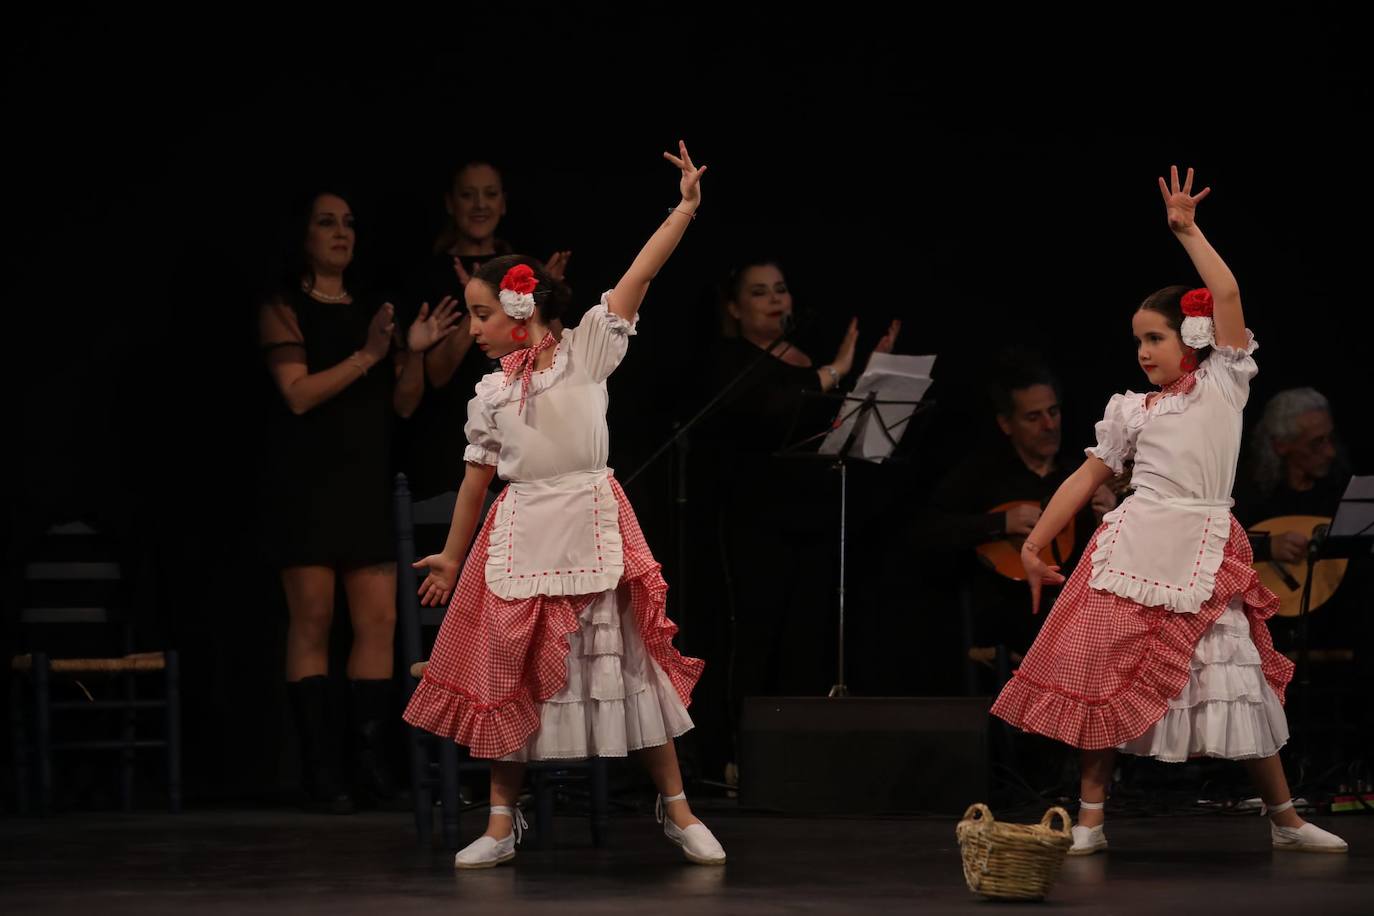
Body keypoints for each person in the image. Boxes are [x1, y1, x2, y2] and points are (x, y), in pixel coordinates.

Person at [990, 167, 1347, 855]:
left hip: (1202, 542)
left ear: (1190, 335)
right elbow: (1086, 474)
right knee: (1105, 672)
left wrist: (1188, 231)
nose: (1143, 352)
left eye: (1154, 338)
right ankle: (1090, 817)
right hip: (1131, 546)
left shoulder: (1222, 383)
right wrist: (1037, 542)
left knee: (1235, 671)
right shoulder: (1130, 410)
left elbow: (1229, 292)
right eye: (1137, 342)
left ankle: (1285, 819)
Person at [403, 142, 726, 868]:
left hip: (588, 519)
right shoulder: (489, 393)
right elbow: (474, 481)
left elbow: (639, 276)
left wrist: (682, 209)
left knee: (629, 662)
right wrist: (454, 556)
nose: (475, 327)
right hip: (521, 533)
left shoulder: (586, 353)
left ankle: (676, 809)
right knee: (510, 669)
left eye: (483, 315)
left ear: (522, 314)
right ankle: (498, 821)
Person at [258, 190, 460, 812]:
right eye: (326, 222)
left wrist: (414, 355)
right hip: (309, 484)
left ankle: (371, 770)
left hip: (367, 480)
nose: (341, 233)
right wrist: (370, 354)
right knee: (313, 621)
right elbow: (296, 394)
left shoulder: (378, 308)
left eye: (348, 223)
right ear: (303, 235)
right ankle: (324, 774)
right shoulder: (282, 305)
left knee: (377, 623)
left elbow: (402, 405)